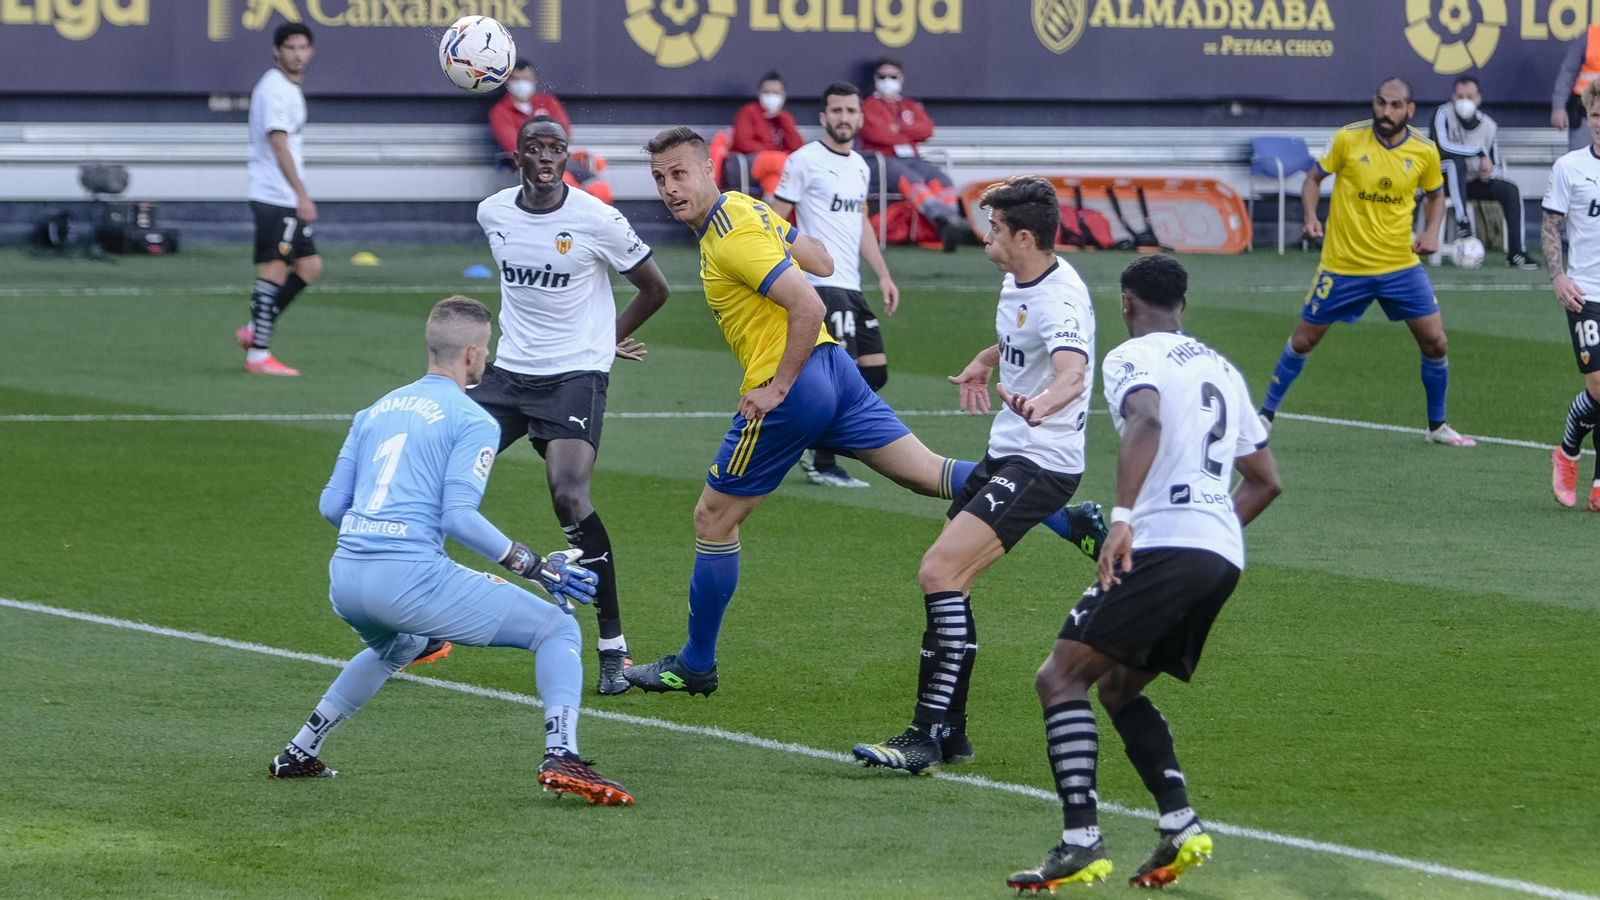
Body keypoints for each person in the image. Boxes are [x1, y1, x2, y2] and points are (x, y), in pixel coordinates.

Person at [621, 128, 1105, 697]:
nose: (670, 188)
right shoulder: (743, 210)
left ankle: (695, 663)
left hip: (794, 388)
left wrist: (776, 388)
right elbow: (822, 260)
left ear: (707, 169)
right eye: (660, 178)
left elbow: (806, 300)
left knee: (713, 519)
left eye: (680, 173)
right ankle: (1065, 517)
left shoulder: (730, 239)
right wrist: (772, 251)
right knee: (930, 473)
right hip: (835, 371)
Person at [266, 296, 633, 807]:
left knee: (399, 647)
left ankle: (300, 751)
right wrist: (530, 565)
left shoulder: (375, 410)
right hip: (408, 579)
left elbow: (332, 506)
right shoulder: (473, 417)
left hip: (346, 578)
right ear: (474, 355)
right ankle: (561, 753)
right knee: (558, 628)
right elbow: (456, 517)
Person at [1006, 256, 1282, 893]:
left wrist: (1125, 519)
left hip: (1161, 545)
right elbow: (1266, 480)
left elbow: (1147, 419)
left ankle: (1080, 841)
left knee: (1061, 678)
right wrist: (1209, 535)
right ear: (1183, 303)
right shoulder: (1221, 368)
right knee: (1120, 688)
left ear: (1127, 303)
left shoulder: (1133, 358)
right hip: (1220, 553)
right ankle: (1180, 825)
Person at [853, 176, 1098, 775]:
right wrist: (989, 360)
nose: (983, 235)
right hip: (1008, 453)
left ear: (1023, 236)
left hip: (1042, 463)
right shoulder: (1021, 278)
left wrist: (1046, 402)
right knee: (950, 583)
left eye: (993, 228)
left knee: (939, 569)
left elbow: (1073, 369)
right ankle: (952, 731)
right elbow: (1023, 331)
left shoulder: (1059, 299)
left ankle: (924, 735)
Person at [470, 116, 671, 695]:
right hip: (509, 374)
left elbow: (655, 288)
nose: (547, 158)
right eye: (535, 148)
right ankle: (422, 626)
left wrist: (603, 342)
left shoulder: (596, 218)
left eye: (556, 149)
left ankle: (613, 648)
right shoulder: (494, 213)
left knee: (568, 494)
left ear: (567, 158)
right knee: (440, 469)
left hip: (574, 376)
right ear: (518, 158)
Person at [1258, 77, 1476, 448]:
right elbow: (1313, 179)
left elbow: (1436, 195)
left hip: (1399, 265)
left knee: (1436, 343)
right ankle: (1264, 415)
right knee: (1303, 339)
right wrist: (1310, 216)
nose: (1386, 112)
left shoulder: (1424, 151)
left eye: (1395, 106)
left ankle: (1437, 426)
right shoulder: (1347, 138)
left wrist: (1433, 231)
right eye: (1380, 103)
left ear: (1409, 110)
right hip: (1344, 265)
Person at [769, 81, 901, 489]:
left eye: (851, 111)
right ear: (824, 117)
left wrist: (882, 273)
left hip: (853, 285)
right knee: (839, 378)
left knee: (874, 373)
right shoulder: (803, 161)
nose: (844, 118)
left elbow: (859, 222)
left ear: (861, 117)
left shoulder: (860, 166)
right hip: (819, 283)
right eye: (836, 111)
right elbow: (775, 216)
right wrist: (775, 273)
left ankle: (811, 442)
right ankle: (822, 460)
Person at [236, 22, 321, 377]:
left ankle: (256, 328)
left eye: (303, 48)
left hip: (283, 195)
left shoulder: (288, 88)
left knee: (309, 267)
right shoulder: (275, 89)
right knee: (273, 269)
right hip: (275, 196)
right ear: (277, 51)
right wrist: (302, 194)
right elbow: (278, 143)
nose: (297, 54)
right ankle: (258, 355)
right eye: (290, 48)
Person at [1542, 78, 1600, 512]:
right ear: (1588, 116)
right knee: (1599, 383)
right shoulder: (1570, 167)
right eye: (1596, 116)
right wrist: (1558, 277)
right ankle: (1567, 452)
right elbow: (1550, 227)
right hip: (1586, 291)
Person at [859, 56, 969, 252]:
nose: (887, 81)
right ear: (875, 79)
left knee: (941, 179)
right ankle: (940, 219)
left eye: (892, 76)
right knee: (912, 179)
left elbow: (927, 130)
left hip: (910, 159)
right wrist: (905, 132)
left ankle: (951, 224)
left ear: (900, 78)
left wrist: (896, 129)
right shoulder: (868, 106)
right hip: (880, 161)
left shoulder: (910, 105)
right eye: (882, 76)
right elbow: (876, 134)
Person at [1430, 76, 1537, 269]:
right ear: (1453, 97)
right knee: (1455, 162)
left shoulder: (1489, 125)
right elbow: (1441, 147)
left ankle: (1516, 252)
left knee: (1510, 190)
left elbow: (1494, 161)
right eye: (1460, 96)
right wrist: (1477, 152)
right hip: (1439, 182)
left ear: (1478, 98)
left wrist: (1488, 171)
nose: (1464, 101)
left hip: (1471, 182)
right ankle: (1464, 224)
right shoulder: (1442, 114)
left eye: (1469, 96)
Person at [489, 60, 612, 204]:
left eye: (526, 78)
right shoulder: (500, 111)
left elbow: (564, 133)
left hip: (561, 161)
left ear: (533, 80)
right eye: (517, 79)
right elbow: (514, 145)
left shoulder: (547, 102)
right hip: (527, 166)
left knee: (600, 190)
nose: (522, 84)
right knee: (565, 183)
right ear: (508, 82)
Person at [729, 71, 804, 198]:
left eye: (776, 93)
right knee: (780, 161)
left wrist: (783, 120)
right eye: (766, 93)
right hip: (749, 164)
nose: (771, 97)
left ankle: (771, 214)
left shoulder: (784, 117)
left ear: (783, 95)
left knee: (775, 181)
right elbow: (742, 142)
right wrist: (770, 153)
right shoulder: (749, 111)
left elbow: (797, 148)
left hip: (775, 168)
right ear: (759, 94)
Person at [1553, 26, 1600, 152]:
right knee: (1580, 164)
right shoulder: (1591, 35)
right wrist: (1559, 107)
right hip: (1586, 115)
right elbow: (1568, 71)